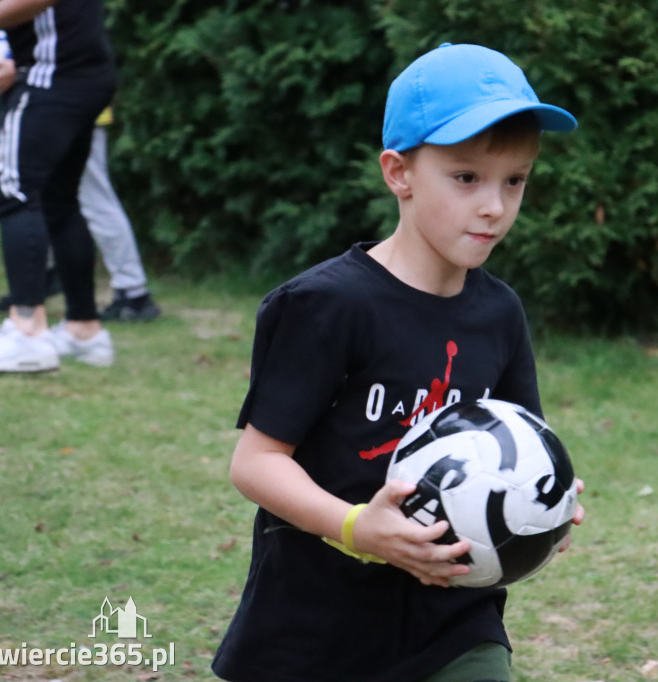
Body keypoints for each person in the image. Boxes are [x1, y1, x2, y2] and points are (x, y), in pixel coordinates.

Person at [211, 43, 585, 682]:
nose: (495, 205)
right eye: (466, 178)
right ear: (399, 173)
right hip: (315, 625)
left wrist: (549, 504)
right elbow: (255, 464)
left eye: (515, 180)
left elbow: (522, 447)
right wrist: (359, 528)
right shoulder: (326, 306)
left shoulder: (499, 313)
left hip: (454, 623)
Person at [0, 0, 118, 372]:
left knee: (13, 190)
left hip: (52, 76)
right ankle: (83, 329)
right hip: (83, 73)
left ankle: (27, 332)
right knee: (59, 199)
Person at [0, 102, 162, 322]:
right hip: (33, 105)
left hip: (73, 104)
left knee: (93, 197)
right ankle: (43, 272)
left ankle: (133, 292)